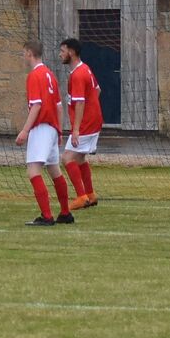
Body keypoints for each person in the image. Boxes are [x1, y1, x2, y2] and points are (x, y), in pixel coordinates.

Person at [15, 42, 74, 226]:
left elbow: (37, 105)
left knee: (33, 171)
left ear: (30, 54)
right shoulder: (50, 75)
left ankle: (47, 216)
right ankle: (65, 213)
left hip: (40, 128)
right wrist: (59, 131)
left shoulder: (34, 76)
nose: (23, 57)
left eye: (24, 53)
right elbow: (58, 106)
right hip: (52, 128)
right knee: (54, 170)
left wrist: (25, 130)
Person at [58, 37, 104, 210]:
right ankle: (90, 195)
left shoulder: (78, 74)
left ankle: (81, 196)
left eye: (62, 51)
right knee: (80, 158)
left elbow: (80, 102)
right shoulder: (86, 69)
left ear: (71, 52)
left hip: (85, 124)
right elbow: (97, 90)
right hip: (93, 120)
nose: (60, 54)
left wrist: (76, 129)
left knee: (67, 158)